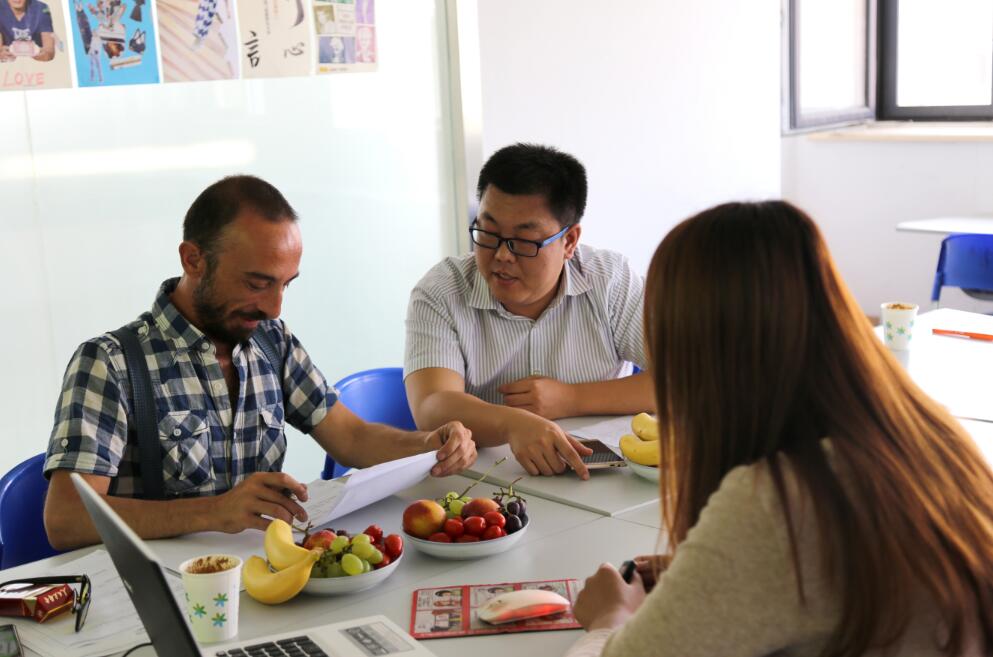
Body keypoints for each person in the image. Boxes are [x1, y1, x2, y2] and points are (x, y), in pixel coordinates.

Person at [567, 201, 993, 656]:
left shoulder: (775, 501)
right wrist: (708, 573)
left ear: (692, 348)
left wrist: (609, 617)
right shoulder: (930, 433)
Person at [43, 175, 476, 551]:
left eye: (286, 284)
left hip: (264, 576)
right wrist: (214, 511)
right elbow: (65, 519)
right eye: (257, 283)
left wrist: (427, 444)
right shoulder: (111, 363)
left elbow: (352, 438)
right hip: (169, 595)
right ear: (193, 259)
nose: (273, 306)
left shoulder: (271, 341)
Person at [404, 143, 653, 480]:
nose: (503, 256)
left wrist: (569, 398)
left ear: (569, 242)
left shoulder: (609, 280)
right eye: (488, 233)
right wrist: (512, 424)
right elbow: (431, 405)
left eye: (524, 242)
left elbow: (686, 381)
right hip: (486, 486)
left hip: (601, 481)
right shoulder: (442, 290)